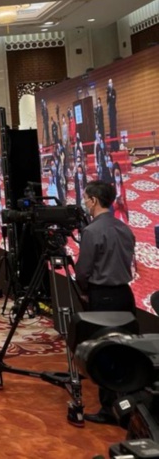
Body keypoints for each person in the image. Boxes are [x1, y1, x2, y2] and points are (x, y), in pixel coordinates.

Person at [75, 180, 136, 425]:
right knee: (124, 349)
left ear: (94, 200)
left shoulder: (92, 231)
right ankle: (127, 405)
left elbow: (83, 271)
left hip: (102, 297)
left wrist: (86, 291)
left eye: (86, 198)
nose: (85, 202)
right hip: (125, 295)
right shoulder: (124, 228)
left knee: (104, 351)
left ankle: (108, 409)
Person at [107, 79, 118, 151]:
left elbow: (113, 101)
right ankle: (112, 146)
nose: (110, 84)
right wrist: (109, 95)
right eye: (109, 83)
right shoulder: (108, 92)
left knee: (114, 129)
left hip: (113, 111)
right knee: (111, 129)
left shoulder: (113, 91)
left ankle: (116, 146)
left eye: (111, 82)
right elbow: (107, 101)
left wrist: (111, 96)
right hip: (110, 112)